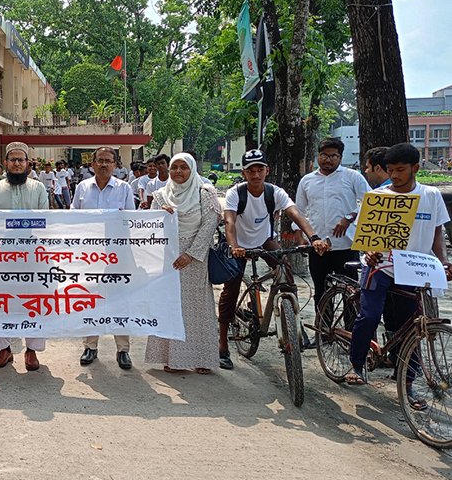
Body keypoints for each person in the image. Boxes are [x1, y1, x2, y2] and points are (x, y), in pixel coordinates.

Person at [346, 143, 451, 392]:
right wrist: (368, 251)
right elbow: (365, 235)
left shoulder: (431, 195)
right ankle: (356, 365)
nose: (394, 175)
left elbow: (437, 233)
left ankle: (407, 384)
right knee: (369, 315)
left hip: (414, 269)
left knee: (411, 326)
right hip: (380, 266)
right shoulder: (377, 198)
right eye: (390, 170)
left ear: (415, 168)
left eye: (400, 170)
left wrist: (444, 262)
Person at [219, 149, 329, 370]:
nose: (256, 174)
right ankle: (222, 344)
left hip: (265, 240)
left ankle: (294, 324)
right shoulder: (235, 193)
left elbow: (296, 213)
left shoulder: (274, 193)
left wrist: (314, 238)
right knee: (231, 288)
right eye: (251, 170)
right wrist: (234, 247)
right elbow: (229, 222)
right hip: (239, 244)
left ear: (267, 171)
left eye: (260, 169)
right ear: (244, 172)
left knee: (285, 271)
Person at [145, 153, 221, 374]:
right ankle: (171, 358)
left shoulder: (204, 193)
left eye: (183, 167)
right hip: (168, 260)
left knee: (197, 308)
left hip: (194, 261)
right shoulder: (160, 196)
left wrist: (191, 254)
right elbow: (150, 226)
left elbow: (209, 224)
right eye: (174, 167)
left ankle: (201, 359)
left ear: (192, 170)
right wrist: (162, 215)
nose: (178, 172)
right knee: (169, 306)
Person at [294, 138, 370, 344]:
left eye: (333, 156)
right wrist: (300, 235)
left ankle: (351, 334)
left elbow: (369, 202)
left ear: (340, 157)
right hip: (317, 246)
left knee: (350, 292)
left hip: (346, 245)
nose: (328, 160)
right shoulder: (307, 181)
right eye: (324, 155)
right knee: (321, 290)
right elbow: (299, 210)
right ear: (318, 155)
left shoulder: (352, 177)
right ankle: (324, 332)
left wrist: (350, 217)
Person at [0, 142, 49, 371]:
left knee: (35, 300)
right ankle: (4, 349)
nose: (17, 163)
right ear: (5, 164)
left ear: (27, 163)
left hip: (33, 253)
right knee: (0, 300)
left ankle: (32, 351)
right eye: (12, 159)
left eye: (21, 159)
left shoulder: (38, 188)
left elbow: (44, 221)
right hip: (3, 254)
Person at [71, 147, 135, 369]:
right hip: (88, 257)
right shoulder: (82, 188)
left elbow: (130, 222)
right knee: (90, 299)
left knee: (120, 302)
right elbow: (72, 220)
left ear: (116, 165)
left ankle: (123, 349)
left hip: (116, 256)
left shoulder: (124, 189)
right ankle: (90, 346)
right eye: (100, 161)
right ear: (92, 164)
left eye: (109, 161)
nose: (104, 165)